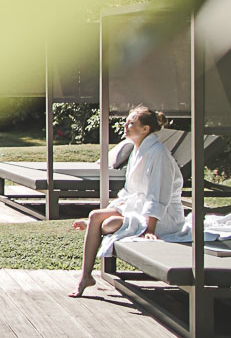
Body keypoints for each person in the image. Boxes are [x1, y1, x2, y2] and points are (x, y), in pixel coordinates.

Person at [69, 105, 184, 298]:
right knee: (96, 215)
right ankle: (85, 276)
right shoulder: (138, 151)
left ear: (145, 129)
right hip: (138, 208)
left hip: (164, 218)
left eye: (131, 123)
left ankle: (93, 228)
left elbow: (159, 194)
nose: (125, 125)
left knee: (108, 223)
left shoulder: (159, 154)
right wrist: (116, 207)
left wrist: (150, 229)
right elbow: (129, 192)